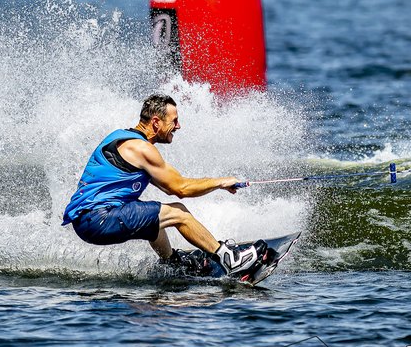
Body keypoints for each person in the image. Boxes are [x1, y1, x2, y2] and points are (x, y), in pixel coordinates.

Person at [62, 94, 265, 276]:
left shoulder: (120, 136)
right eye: (174, 121)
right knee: (178, 213)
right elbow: (181, 189)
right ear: (156, 122)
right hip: (98, 218)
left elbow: (170, 187)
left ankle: (171, 263)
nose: (178, 126)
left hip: (87, 221)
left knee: (155, 217)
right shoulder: (141, 149)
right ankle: (230, 260)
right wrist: (221, 182)